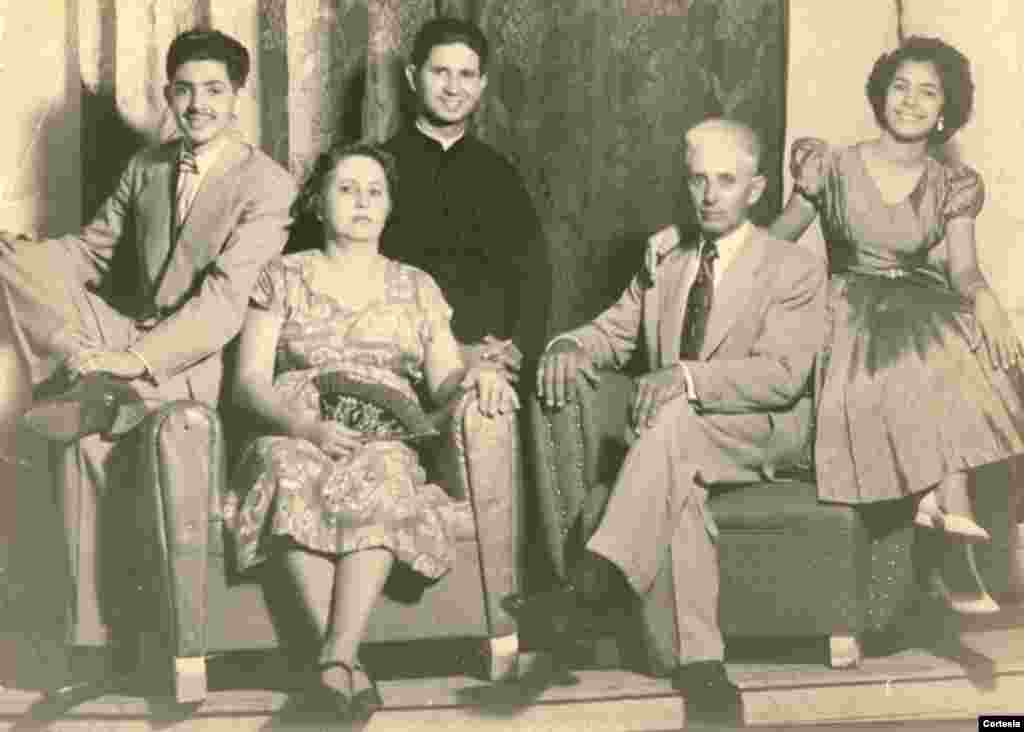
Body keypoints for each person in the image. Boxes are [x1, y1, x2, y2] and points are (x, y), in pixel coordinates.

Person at [0, 28, 296, 690]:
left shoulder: (269, 186)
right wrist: (23, 256)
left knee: (83, 442)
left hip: (201, 359)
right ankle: (89, 649)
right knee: (9, 260)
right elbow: (90, 253)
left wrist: (134, 360)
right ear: (167, 95)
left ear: (238, 97)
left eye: (214, 90)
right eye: (184, 90)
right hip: (130, 336)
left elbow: (223, 305)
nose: (198, 105)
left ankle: (100, 388)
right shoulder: (148, 167)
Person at [513, 118, 826, 725]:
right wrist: (566, 346)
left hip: (763, 430)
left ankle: (590, 585)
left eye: (726, 181)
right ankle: (705, 673)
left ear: (757, 189)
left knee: (673, 422)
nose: (710, 195)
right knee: (678, 488)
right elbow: (611, 333)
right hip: (676, 443)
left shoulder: (792, 268)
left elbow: (783, 377)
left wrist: (684, 376)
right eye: (698, 180)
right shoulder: (667, 262)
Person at [222, 141, 518, 720]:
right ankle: (346, 670)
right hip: (296, 424)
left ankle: (334, 662)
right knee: (287, 468)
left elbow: (444, 380)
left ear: (388, 207)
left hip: (385, 436)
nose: (362, 202)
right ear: (318, 201)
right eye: (346, 189)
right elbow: (248, 382)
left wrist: (478, 375)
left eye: (374, 191)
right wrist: (305, 427)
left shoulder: (416, 285)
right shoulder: (282, 275)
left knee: (384, 471)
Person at [770, 36, 1024, 615]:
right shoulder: (830, 166)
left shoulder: (952, 184)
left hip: (918, 303)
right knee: (919, 348)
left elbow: (964, 270)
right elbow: (774, 242)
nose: (911, 101)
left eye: (928, 92)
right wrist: (696, 245)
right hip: (849, 308)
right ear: (881, 95)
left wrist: (987, 301)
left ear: (945, 111)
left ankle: (946, 508)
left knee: (960, 333)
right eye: (900, 87)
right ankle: (949, 508)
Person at [381, 16, 548, 383]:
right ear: (412, 77)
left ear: (482, 83)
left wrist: (516, 346)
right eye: (440, 72)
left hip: (489, 365)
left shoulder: (501, 175)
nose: (453, 88)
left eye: (466, 75)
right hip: (398, 359)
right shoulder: (376, 170)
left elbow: (534, 277)